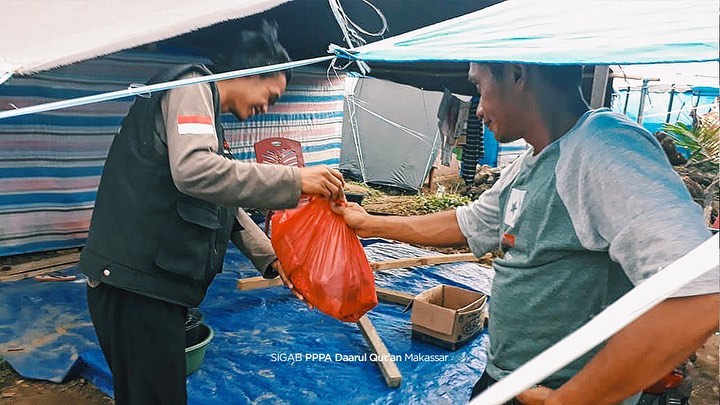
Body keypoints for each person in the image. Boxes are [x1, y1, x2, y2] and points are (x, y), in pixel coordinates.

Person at [332, 62, 719, 404]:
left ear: (517, 74)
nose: (478, 109)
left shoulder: (602, 145)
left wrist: (575, 398)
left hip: (558, 389)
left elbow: (699, 288)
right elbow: (468, 223)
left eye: (480, 87)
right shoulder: (534, 158)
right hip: (508, 378)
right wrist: (369, 223)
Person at [79, 22, 344, 405]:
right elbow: (195, 172)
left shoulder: (208, 118)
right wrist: (295, 179)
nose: (268, 106)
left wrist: (272, 258)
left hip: (148, 289)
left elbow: (223, 202)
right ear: (252, 72)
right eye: (271, 94)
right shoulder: (190, 87)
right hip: (133, 288)